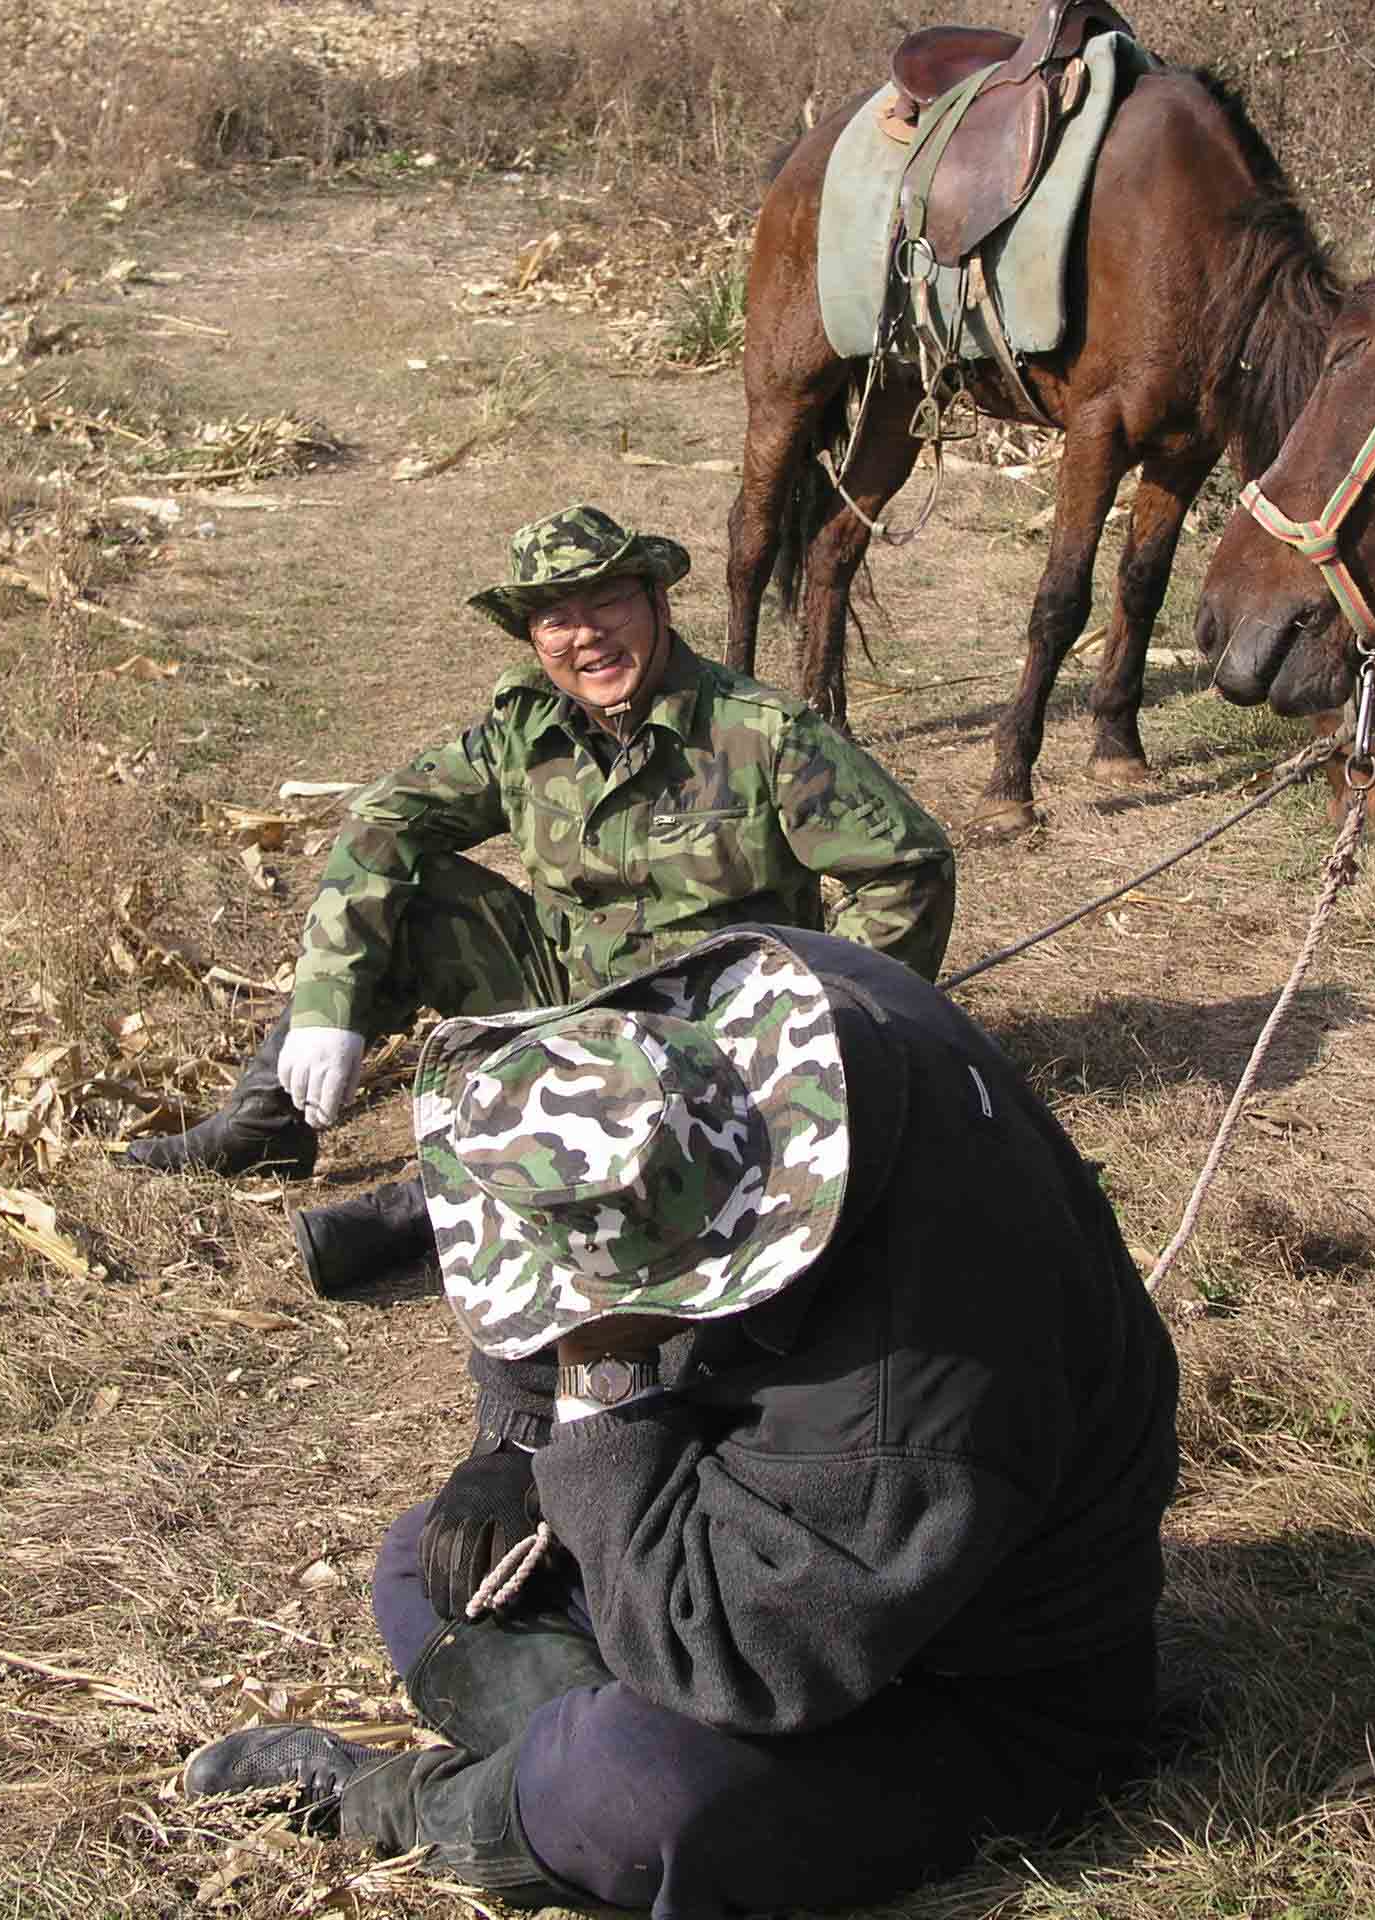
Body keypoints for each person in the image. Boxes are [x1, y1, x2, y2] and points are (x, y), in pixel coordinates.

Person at [179, 927, 1181, 1918]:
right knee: (425, 1566)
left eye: (596, 1303)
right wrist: (508, 1443)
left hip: (974, 1681)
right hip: (760, 1533)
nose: (563, 1310)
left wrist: (598, 1375)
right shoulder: (742, 1037)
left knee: (640, 1789)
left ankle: (411, 1802)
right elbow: (569, 1202)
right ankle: (560, 1757)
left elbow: (731, 1660)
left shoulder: (912, 1395)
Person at [123, 505, 956, 1300]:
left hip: (715, 1035)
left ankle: (427, 1207)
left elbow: (906, 871)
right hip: (566, 992)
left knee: (640, 1143)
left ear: (657, 602)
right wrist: (325, 1006)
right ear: (533, 638)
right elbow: (384, 821)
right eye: (555, 619)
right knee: (411, 893)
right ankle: (267, 1122)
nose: (585, 634)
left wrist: (810, 1019)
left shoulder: (762, 733)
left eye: (607, 602)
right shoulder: (528, 731)